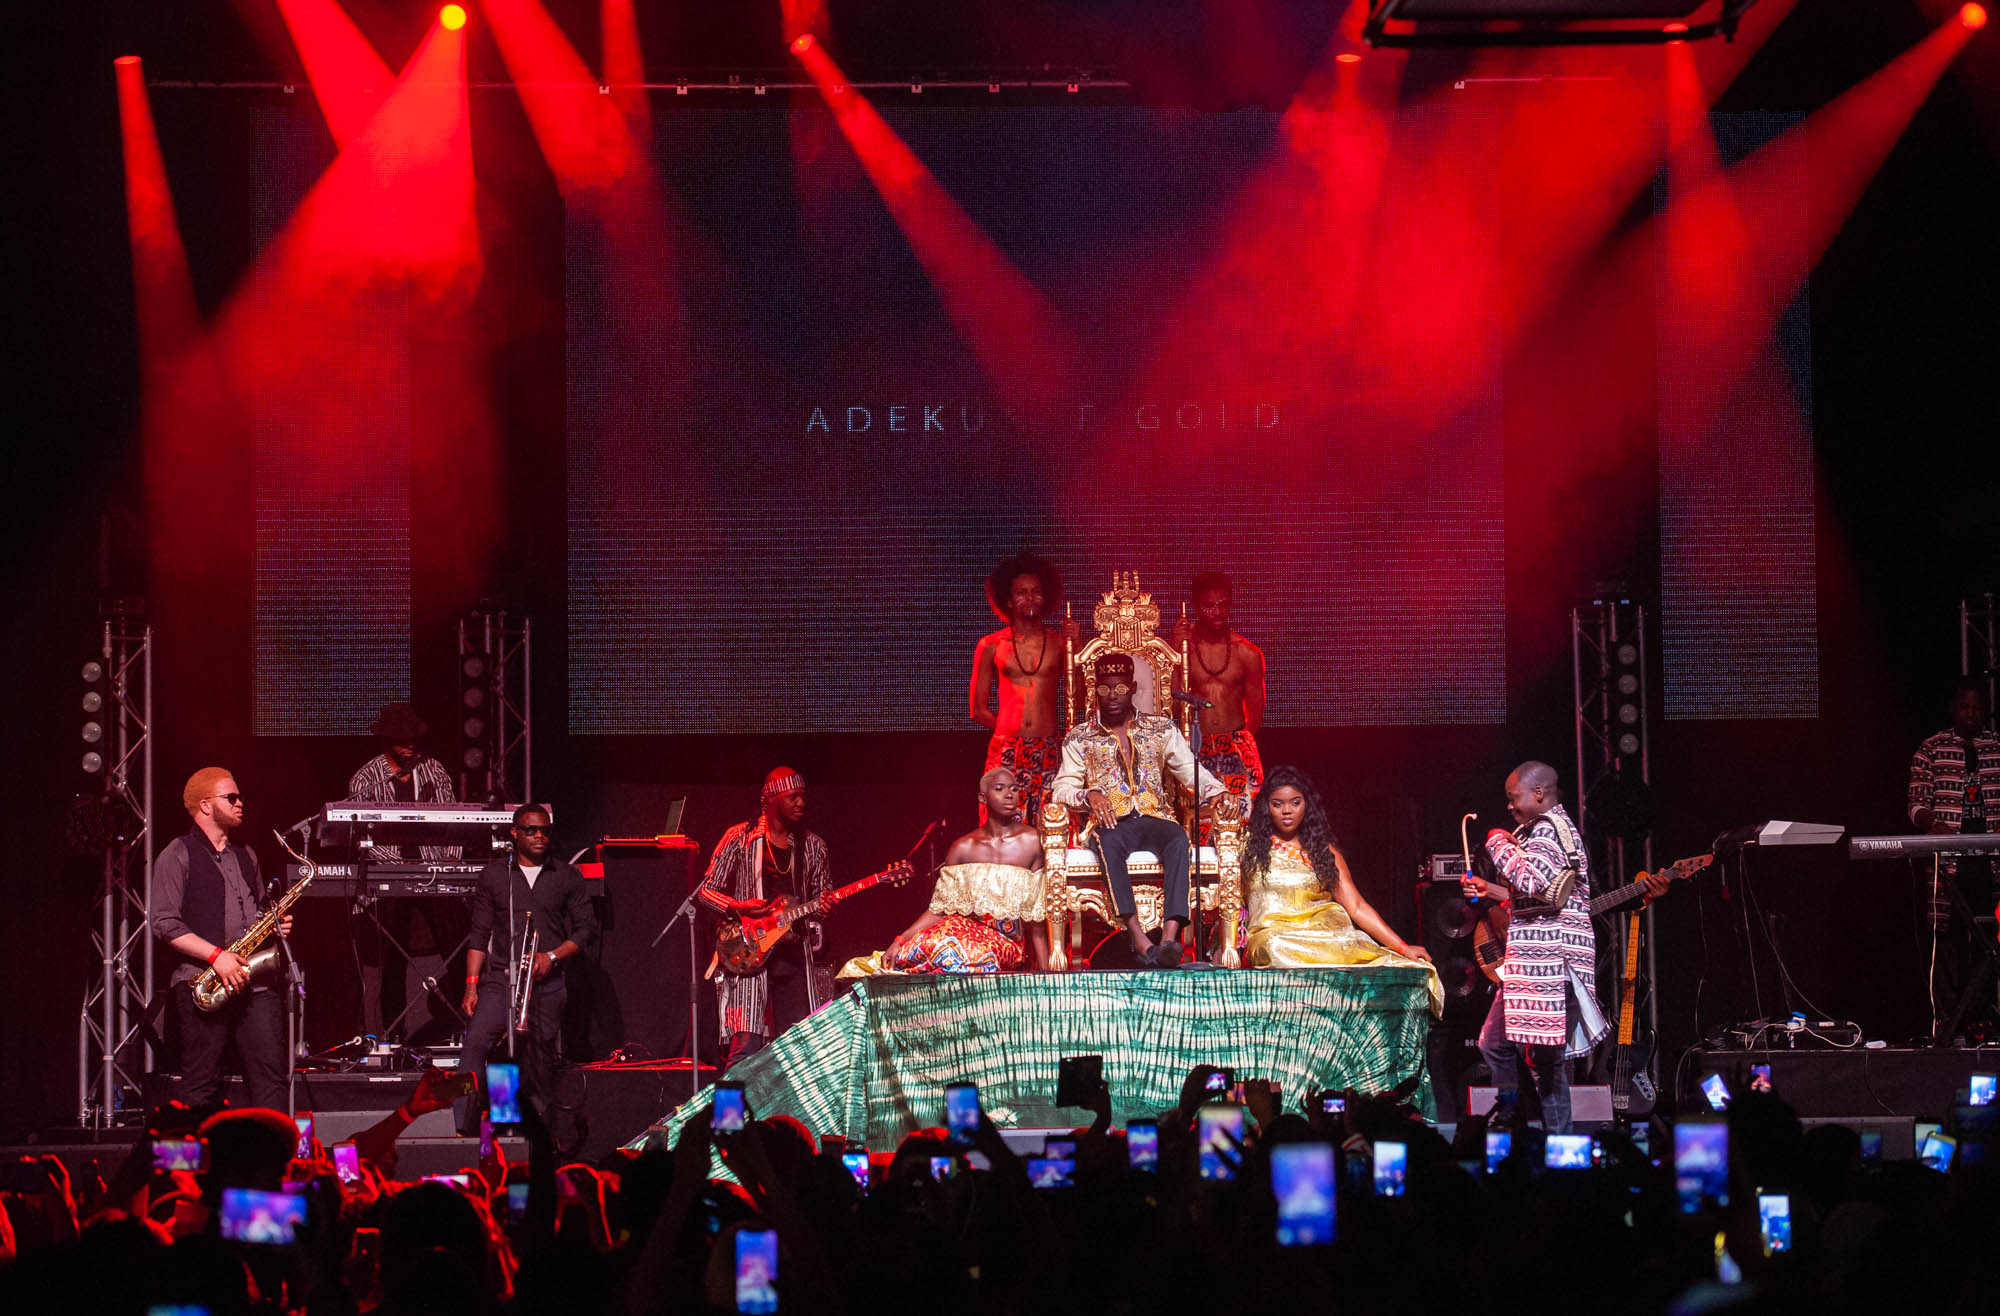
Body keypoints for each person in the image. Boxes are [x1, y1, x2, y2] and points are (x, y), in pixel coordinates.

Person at [1050, 651, 1237, 968]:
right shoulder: (1080, 736)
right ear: (1095, 690)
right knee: (1108, 842)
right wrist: (1088, 794)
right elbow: (1061, 788)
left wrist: (1216, 792)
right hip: (1111, 823)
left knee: (1178, 838)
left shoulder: (1160, 729)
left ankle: (1168, 939)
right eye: (1105, 689)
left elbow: (1190, 770)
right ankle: (1139, 938)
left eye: (1120, 688)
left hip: (1154, 817)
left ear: (1133, 687)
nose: (1112, 697)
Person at [1459, 761, 1605, 1133]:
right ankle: (1514, 1125)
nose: (1510, 807)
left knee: (1545, 1061)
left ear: (1538, 793)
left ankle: (1553, 1144)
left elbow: (1528, 877)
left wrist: (1495, 839)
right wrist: (1489, 891)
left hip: (1551, 964)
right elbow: (1540, 895)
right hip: (1536, 965)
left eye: (1514, 798)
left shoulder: (1546, 830)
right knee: (1496, 1043)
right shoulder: (1553, 828)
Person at [1240, 767, 1441, 1014]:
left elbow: (1355, 905)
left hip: (1327, 936)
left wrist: (1402, 947)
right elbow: (1231, 899)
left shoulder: (1324, 852)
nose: (1287, 810)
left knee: (1403, 968)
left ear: (1307, 805)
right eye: (1277, 804)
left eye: (1295, 802)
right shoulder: (1248, 848)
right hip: (1274, 937)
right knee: (1275, 946)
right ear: (1265, 807)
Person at [149, 768, 292, 1110]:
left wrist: (273, 924)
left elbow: (257, 910)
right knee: (200, 1082)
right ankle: (191, 1162)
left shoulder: (246, 854)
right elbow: (163, 923)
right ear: (205, 805)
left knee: (271, 1078)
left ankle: (269, 1159)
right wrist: (216, 956)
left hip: (253, 981)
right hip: (204, 981)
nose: (241, 802)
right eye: (231, 797)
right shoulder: (177, 852)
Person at [457, 804, 597, 1135]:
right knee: (476, 1043)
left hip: (546, 984)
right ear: (514, 833)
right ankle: (461, 1124)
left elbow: (585, 931)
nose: (539, 836)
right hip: (501, 981)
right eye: (531, 830)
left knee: (536, 1058)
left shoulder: (566, 876)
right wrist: (471, 986)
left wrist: (552, 957)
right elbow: (479, 935)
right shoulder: (494, 876)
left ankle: (530, 1136)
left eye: (545, 831)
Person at [838, 768, 1049, 978]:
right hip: (959, 932)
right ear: (983, 798)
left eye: (1014, 789)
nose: (1009, 795)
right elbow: (939, 909)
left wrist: (1050, 975)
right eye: (1000, 789)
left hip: (1003, 942)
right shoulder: (963, 848)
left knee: (957, 954)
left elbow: (1037, 920)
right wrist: (900, 940)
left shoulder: (1032, 841)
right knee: (927, 947)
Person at [699, 768, 833, 1069]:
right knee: (744, 1050)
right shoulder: (739, 838)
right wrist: (738, 907)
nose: (801, 803)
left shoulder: (814, 846)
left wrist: (826, 906)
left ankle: (790, 1117)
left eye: (803, 797)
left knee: (799, 1049)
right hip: (749, 952)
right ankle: (729, 1118)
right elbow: (705, 891)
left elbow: (821, 899)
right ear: (770, 799)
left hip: (794, 956)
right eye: (792, 797)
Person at [345, 701, 463, 1043]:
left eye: (414, 738)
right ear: (386, 740)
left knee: (457, 941)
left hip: (433, 870)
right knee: (390, 959)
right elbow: (361, 836)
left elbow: (454, 824)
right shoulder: (365, 780)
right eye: (402, 739)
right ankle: (394, 1036)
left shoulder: (434, 770)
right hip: (389, 874)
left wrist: (448, 864)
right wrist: (398, 868)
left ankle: (460, 1024)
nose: (410, 745)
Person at [1908, 676, 2000, 1037]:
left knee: (1987, 942)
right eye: (1966, 707)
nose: (1972, 714)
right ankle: (1946, 1024)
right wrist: (1934, 823)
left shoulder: (1996, 746)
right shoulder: (1931, 748)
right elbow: (1915, 804)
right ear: (1952, 708)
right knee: (1945, 944)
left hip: (1991, 862)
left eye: (1978, 708)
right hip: (1948, 864)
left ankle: (1982, 1020)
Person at [969, 554, 1075, 828]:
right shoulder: (991, 644)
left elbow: (1081, 696)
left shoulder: (1059, 643)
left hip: (1050, 747)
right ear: (1008, 600)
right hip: (1006, 748)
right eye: (1021, 593)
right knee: (1002, 826)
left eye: (1036, 592)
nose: (1029, 598)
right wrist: (1009, 732)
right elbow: (977, 709)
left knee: (1052, 824)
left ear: (1046, 598)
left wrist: (1078, 644)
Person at [1171, 572, 1267, 820]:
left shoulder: (1246, 653)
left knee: (1241, 822)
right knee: (1199, 823)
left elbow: (1255, 714)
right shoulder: (1182, 650)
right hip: (1195, 747)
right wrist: (1174, 650)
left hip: (1235, 748)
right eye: (1209, 605)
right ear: (1195, 606)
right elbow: (1170, 699)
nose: (1216, 611)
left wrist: (1238, 746)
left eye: (1222, 604)